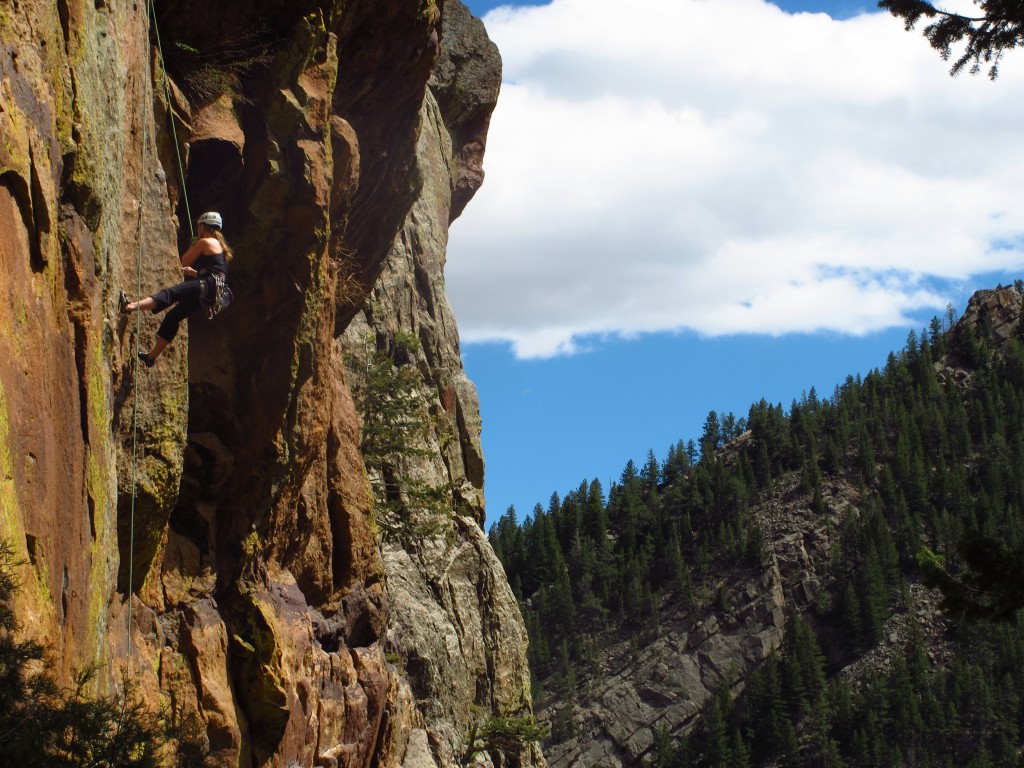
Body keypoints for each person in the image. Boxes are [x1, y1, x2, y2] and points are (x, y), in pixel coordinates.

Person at [119, 211, 232, 367]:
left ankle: (129, 306)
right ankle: (151, 357)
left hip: (207, 285)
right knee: (173, 316)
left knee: (170, 294)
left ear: (203, 227)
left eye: (199, 226)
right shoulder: (219, 246)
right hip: (212, 291)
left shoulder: (205, 242)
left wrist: (194, 244)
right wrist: (196, 273)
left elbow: (184, 261)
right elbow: (217, 271)